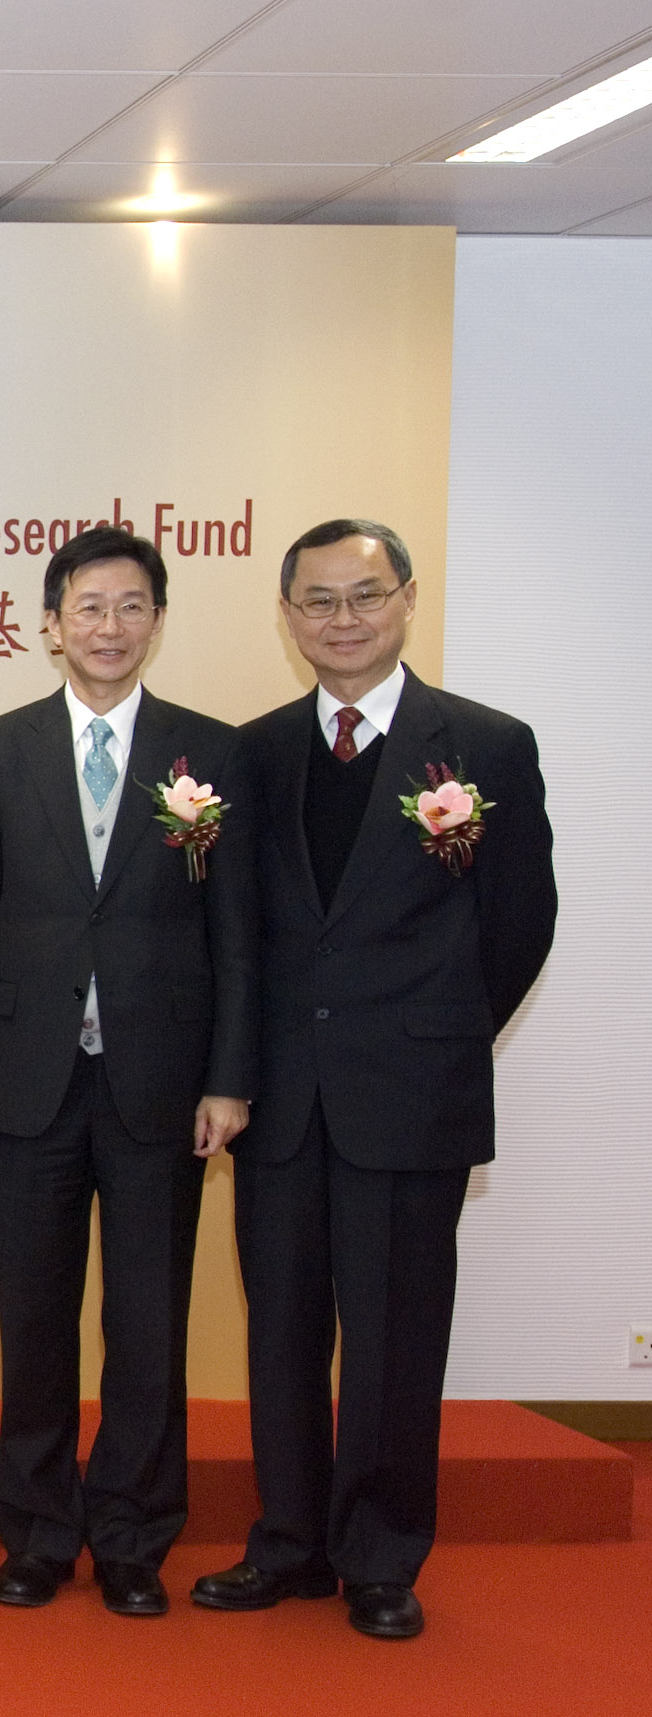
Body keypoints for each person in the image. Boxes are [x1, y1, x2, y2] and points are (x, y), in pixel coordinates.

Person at [196, 520, 555, 1641]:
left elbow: (517, 922)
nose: (339, 620)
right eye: (315, 601)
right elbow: (237, 932)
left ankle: (382, 1553)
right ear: (285, 614)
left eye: (362, 596)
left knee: (397, 1335)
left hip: (409, 1093)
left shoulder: (483, 746)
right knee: (282, 1331)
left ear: (405, 599)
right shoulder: (250, 752)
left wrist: (435, 1035)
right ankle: (290, 1542)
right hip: (282, 1098)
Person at [0, 526, 256, 1618]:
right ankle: (34, 1531)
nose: (107, 627)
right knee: (32, 1320)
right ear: (48, 624)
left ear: (156, 621)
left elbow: (236, 936)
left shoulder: (209, 753)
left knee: (146, 1322)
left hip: (160, 1085)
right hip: (22, 1079)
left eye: (129, 607)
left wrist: (227, 1076)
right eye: (86, 607)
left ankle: (128, 1532)